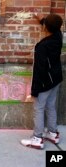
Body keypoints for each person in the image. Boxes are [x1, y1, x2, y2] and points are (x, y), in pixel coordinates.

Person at [21, 13, 63, 149]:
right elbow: (52, 26)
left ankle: (37, 138)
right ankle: (52, 133)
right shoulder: (58, 36)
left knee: (38, 108)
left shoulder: (42, 46)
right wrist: (41, 19)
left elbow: (39, 70)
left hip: (45, 83)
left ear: (46, 27)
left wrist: (35, 91)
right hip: (55, 79)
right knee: (50, 106)